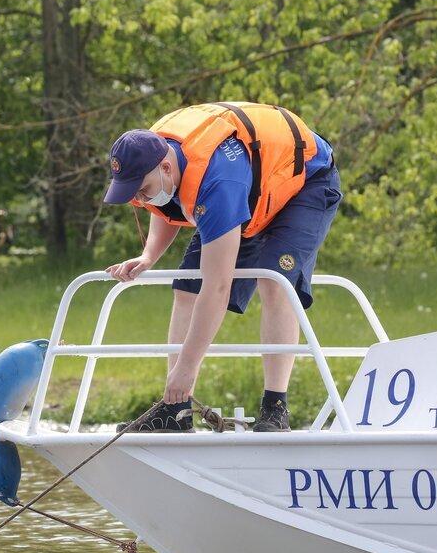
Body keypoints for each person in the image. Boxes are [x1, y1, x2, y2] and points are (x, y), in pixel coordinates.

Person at [103, 102, 341, 432]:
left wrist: (187, 367)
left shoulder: (218, 183)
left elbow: (218, 287)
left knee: (274, 282)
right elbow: (168, 205)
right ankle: (176, 411)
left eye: (141, 191)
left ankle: (275, 408)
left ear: (166, 168)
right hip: (251, 187)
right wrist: (148, 256)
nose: (140, 202)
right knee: (187, 287)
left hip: (303, 182)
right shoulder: (156, 155)